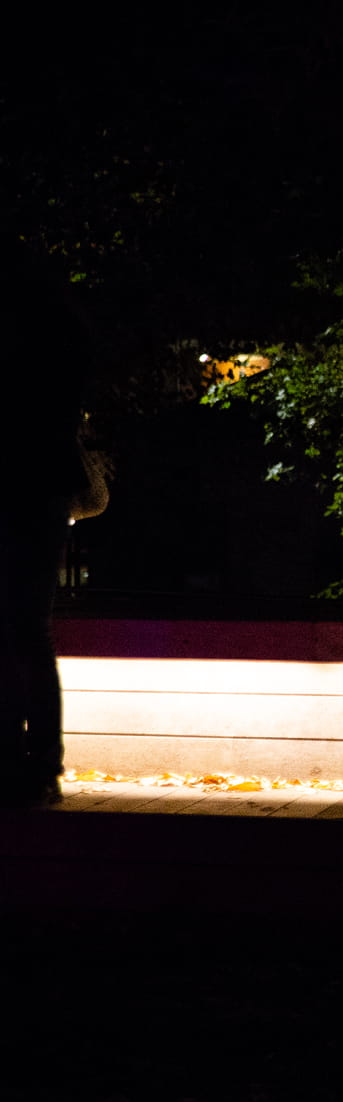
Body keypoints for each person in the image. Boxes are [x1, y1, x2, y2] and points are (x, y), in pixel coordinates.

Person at [1, 238, 90, 810]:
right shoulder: (62, 338)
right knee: (30, 627)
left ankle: (19, 760)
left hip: (21, 486)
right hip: (41, 489)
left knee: (18, 630)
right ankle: (41, 766)